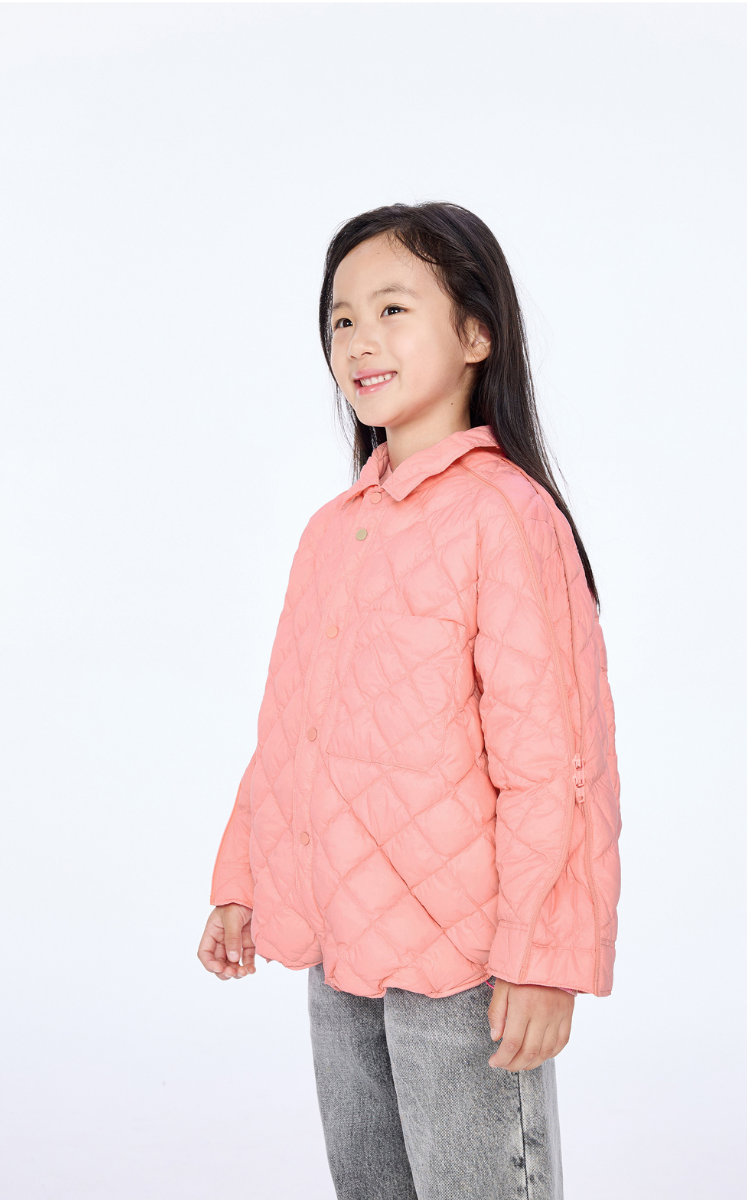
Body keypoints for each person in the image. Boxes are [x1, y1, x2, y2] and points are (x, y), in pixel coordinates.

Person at [197, 202, 621, 1200]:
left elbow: (555, 757)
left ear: (476, 334)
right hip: (339, 946)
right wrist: (242, 878)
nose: (359, 339)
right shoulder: (330, 532)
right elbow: (293, 731)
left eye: (392, 309)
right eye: (341, 319)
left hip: (468, 966)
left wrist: (544, 956)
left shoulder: (506, 518)